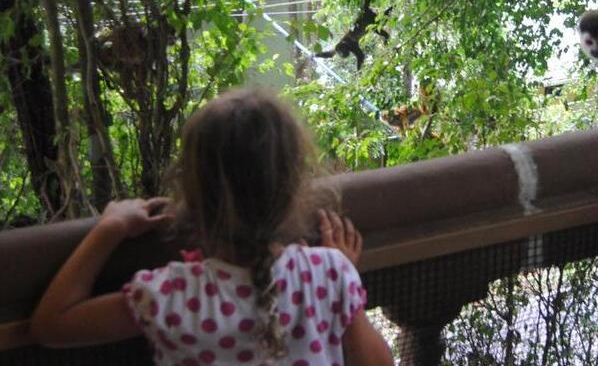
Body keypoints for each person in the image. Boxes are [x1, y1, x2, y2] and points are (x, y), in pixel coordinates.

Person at [30, 88, 393, 366]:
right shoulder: (329, 272)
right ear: (294, 193)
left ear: (191, 197)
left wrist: (108, 229)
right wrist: (344, 275)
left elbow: (52, 324)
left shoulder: (170, 296)